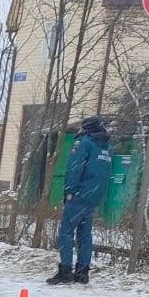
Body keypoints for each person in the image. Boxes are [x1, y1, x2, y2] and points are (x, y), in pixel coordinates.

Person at [48, 116, 113, 285]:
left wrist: (69, 190)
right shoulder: (106, 147)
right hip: (94, 196)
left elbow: (74, 168)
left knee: (66, 233)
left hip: (79, 194)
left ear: (86, 128)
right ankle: (82, 272)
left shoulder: (84, 143)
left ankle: (65, 270)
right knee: (85, 234)